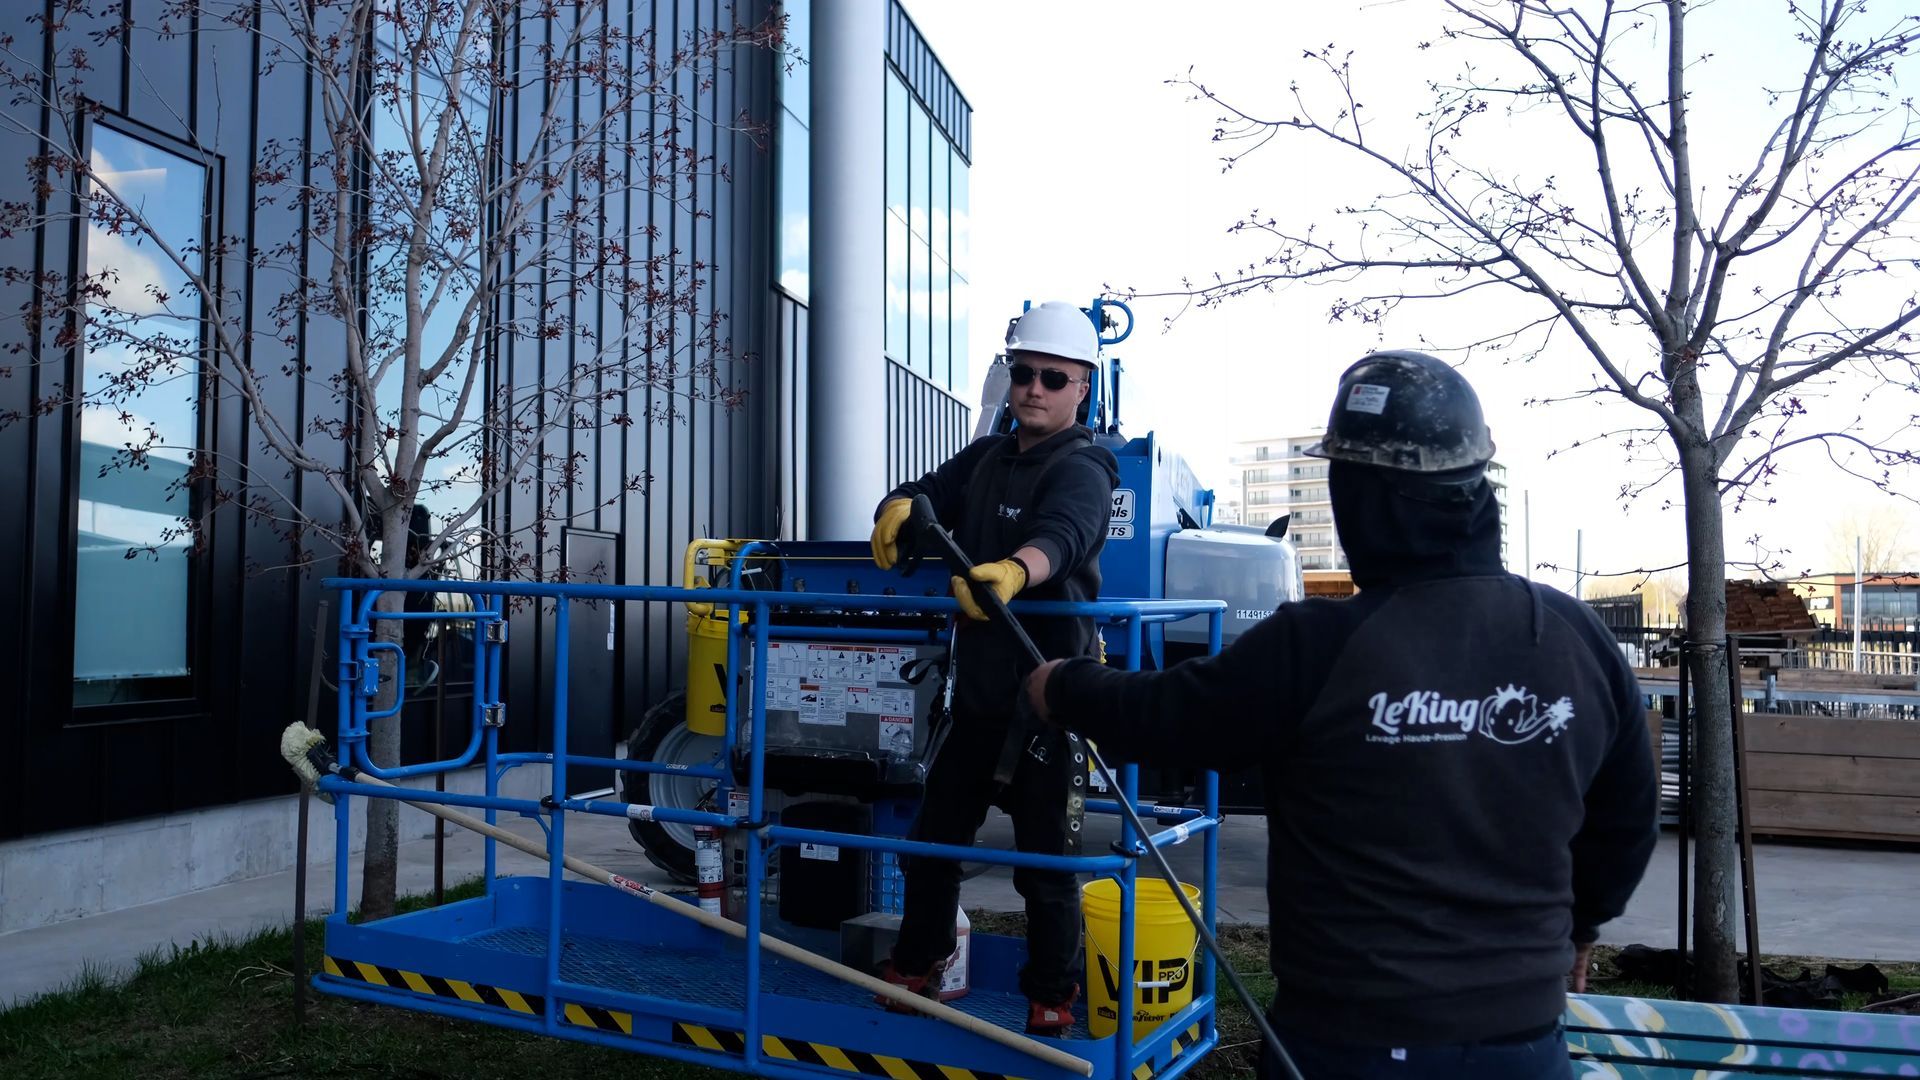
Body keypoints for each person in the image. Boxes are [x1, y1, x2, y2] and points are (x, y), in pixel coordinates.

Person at [1024, 351, 1657, 1078]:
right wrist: (1584, 920)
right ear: (1474, 486)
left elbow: (1168, 713)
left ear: (1357, 496)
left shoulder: (1315, 649)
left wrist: (1062, 685)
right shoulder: (1575, 638)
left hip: (1344, 1047)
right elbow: (1627, 816)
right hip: (1522, 1043)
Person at [869, 301, 1120, 1034]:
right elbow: (929, 492)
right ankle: (917, 964)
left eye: (1052, 376)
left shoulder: (1086, 466)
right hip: (977, 695)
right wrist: (901, 506)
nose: (1033, 387)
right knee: (931, 847)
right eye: (1022, 372)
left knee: (1046, 869)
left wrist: (1014, 570)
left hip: (1049, 697)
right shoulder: (986, 458)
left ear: (1082, 388)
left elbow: (1065, 537)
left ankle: (1051, 994)